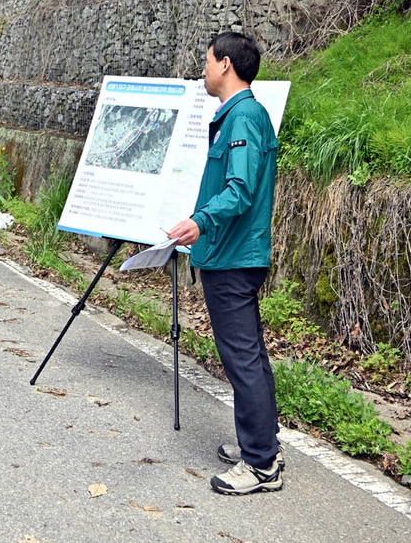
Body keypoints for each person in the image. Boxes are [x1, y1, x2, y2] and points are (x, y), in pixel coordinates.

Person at [166, 31, 283, 496]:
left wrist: (200, 221)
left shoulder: (244, 118)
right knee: (249, 356)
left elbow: (240, 190)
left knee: (242, 359)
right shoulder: (239, 116)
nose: (203, 70)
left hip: (234, 257)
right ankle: (262, 446)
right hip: (232, 254)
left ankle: (261, 466)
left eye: (207, 61)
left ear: (226, 66)